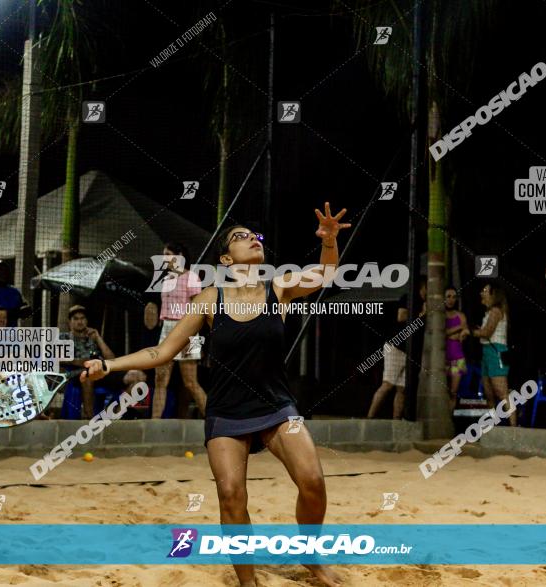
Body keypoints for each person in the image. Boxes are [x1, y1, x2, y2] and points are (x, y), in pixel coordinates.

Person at [84, 203, 350, 587]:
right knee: (230, 494)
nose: (252, 240)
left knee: (313, 482)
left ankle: (310, 555)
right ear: (227, 259)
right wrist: (109, 366)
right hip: (227, 410)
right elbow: (162, 352)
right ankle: (247, 581)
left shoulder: (279, 286)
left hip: (276, 404)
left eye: (254, 236)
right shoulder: (210, 299)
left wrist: (329, 241)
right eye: (240, 237)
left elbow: (326, 274)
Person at [61, 305, 145, 419]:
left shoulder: (93, 336)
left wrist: (98, 338)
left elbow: (111, 359)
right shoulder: (64, 337)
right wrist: (82, 362)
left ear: (86, 320)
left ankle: (115, 413)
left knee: (138, 377)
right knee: (88, 376)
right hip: (79, 374)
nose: (80, 321)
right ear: (69, 322)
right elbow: (59, 358)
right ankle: (90, 419)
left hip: (102, 371)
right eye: (76, 319)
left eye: (82, 318)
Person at [153, 242, 207, 419]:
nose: (164, 258)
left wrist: (192, 337)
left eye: (168, 254)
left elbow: (198, 309)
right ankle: (154, 423)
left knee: (191, 382)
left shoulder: (191, 277)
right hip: (166, 330)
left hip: (187, 329)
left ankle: (213, 421)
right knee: (160, 380)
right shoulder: (167, 279)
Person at [366, 281, 426, 420]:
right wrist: (421, 314)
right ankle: (369, 418)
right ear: (422, 287)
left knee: (402, 389)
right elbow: (401, 316)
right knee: (387, 384)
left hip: (410, 352)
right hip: (396, 346)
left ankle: (396, 420)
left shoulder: (426, 304)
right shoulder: (409, 298)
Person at [472, 283, 513, 426]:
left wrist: (470, 332)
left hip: (496, 351)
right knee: (488, 392)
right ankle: (492, 426)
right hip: (487, 351)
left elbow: (487, 332)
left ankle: (514, 429)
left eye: (485, 291)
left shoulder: (496, 311)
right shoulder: (489, 312)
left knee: (501, 392)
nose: (481, 293)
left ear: (493, 295)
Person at [0, 260, 32, 327]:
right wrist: (18, 313)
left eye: (5, 272)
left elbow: (28, 310)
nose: (3, 275)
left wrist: (21, 312)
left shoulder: (15, 291)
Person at [445, 287, 470, 411]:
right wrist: (458, 328)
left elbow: (466, 330)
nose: (451, 300)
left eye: (454, 297)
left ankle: (448, 420)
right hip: (443, 358)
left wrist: (462, 334)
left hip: (457, 357)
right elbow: (441, 333)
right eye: (448, 296)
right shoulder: (440, 315)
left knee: (453, 392)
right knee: (442, 391)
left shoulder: (460, 315)